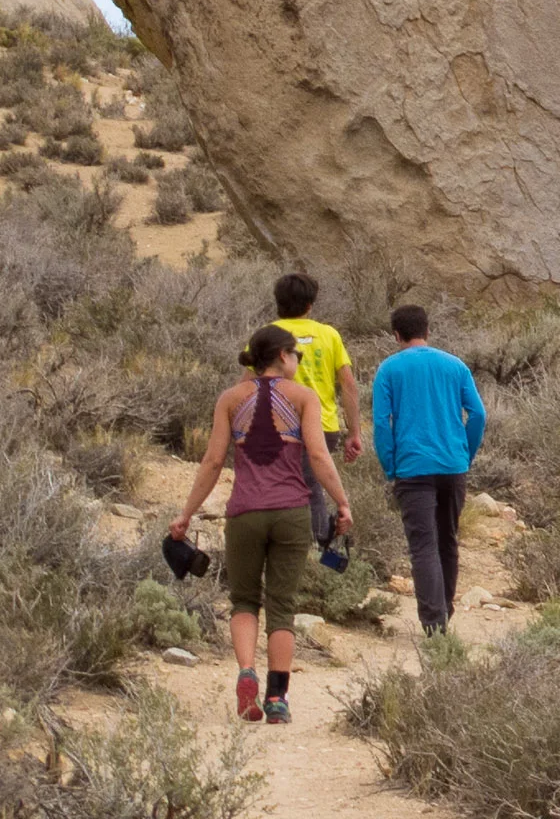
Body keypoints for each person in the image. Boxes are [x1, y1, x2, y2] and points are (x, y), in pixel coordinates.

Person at [171, 324, 354, 723]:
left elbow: (213, 462)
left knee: (244, 601)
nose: (298, 362)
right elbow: (320, 459)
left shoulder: (231, 400)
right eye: (297, 356)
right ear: (283, 356)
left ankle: (246, 674)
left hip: (244, 513)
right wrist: (342, 503)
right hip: (291, 512)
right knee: (282, 607)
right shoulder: (303, 397)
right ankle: (276, 699)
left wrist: (186, 513)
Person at [371, 303, 486, 636]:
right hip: (452, 466)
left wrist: (390, 464)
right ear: (427, 331)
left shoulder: (389, 369)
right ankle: (444, 612)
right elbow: (477, 415)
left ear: (396, 335)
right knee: (447, 539)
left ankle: (434, 623)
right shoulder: (455, 365)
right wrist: (465, 453)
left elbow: (381, 423)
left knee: (423, 545)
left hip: (411, 468)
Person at [269, 271, 362, 547]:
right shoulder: (328, 335)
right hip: (324, 425)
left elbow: (248, 385)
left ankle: (317, 551)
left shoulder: (268, 335)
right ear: (310, 304)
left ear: (278, 301)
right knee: (310, 486)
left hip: (279, 427)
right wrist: (354, 431)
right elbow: (347, 384)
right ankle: (313, 549)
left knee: (297, 488)